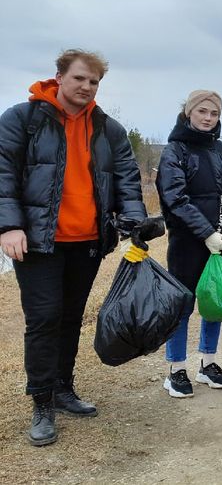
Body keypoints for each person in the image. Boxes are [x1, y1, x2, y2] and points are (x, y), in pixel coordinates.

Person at [0, 49, 146, 446]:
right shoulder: (23, 119)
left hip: (86, 242)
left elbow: (128, 178)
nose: (86, 87)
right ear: (60, 76)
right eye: (80, 78)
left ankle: (64, 388)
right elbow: (3, 173)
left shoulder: (107, 128)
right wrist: (9, 225)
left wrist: (134, 218)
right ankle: (42, 402)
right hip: (38, 242)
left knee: (70, 317)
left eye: (94, 82)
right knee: (44, 318)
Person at [156, 90, 222, 398]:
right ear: (189, 113)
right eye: (202, 112)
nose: (208, 118)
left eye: (214, 113)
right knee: (183, 304)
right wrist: (205, 233)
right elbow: (175, 198)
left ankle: (208, 362)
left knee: (216, 301)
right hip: (189, 241)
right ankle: (176, 369)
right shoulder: (175, 151)